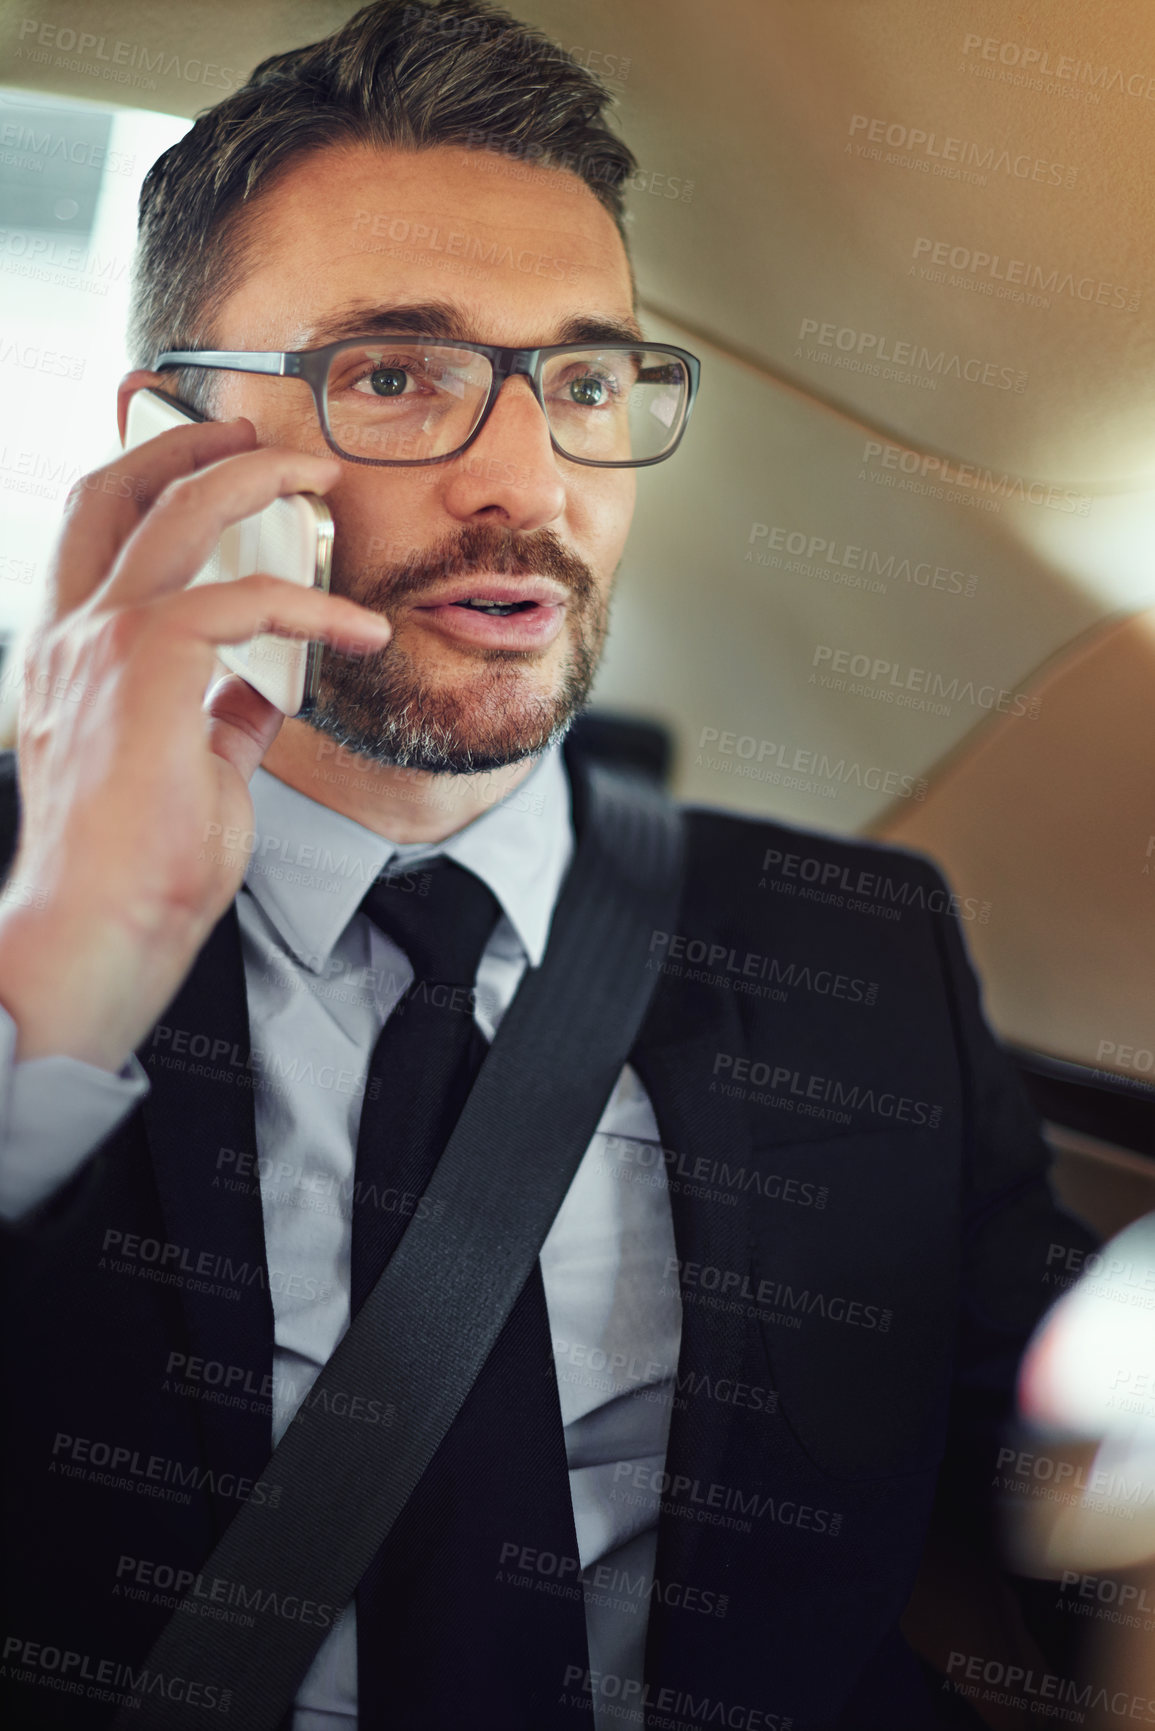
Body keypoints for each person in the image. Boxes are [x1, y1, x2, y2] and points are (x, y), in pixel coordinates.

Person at [0, 2, 1094, 1726]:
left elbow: (1068, 1458)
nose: (528, 482)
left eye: (585, 381)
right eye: (394, 373)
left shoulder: (858, 946)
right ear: (174, 445)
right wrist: (58, 973)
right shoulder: (21, 922)